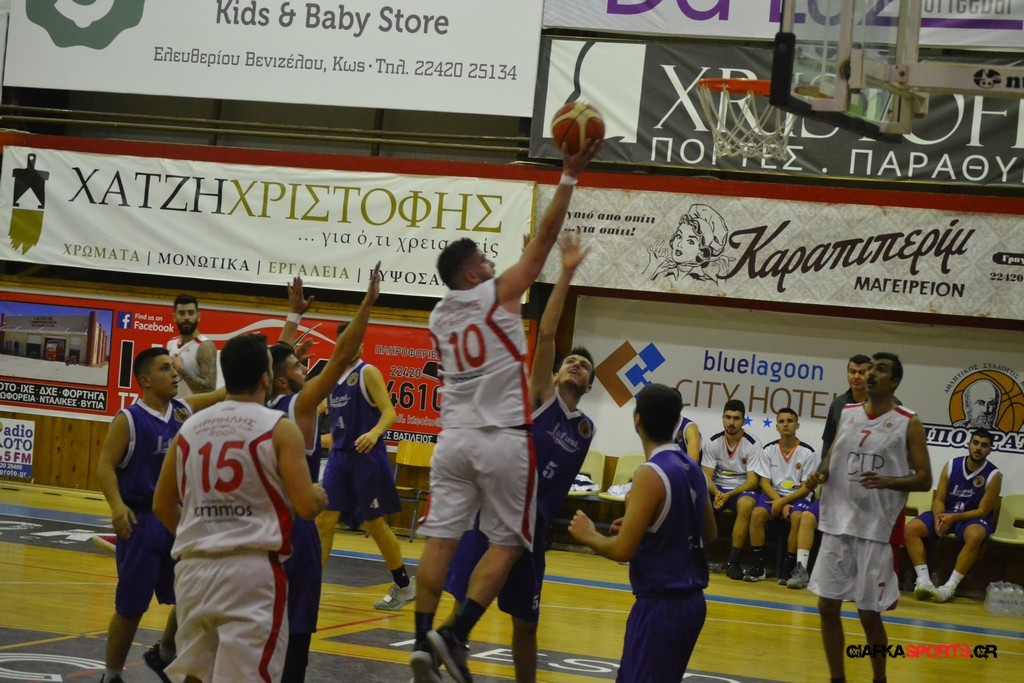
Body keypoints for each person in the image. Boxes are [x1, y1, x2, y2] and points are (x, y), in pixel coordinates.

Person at [409, 140, 600, 683]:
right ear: (471, 276)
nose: (493, 265)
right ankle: (456, 633)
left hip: (453, 440)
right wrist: (568, 175)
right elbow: (544, 238)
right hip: (501, 441)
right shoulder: (495, 295)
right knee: (510, 543)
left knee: (440, 541)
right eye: (484, 261)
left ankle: (423, 638)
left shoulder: (439, 316)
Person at [443, 236, 595, 683]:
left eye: (584, 366)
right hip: (497, 511)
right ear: (554, 372)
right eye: (570, 361)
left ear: (589, 386)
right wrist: (562, 272)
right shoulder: (541, 397)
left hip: (535, 528)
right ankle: (435, 663)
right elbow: (546, 333)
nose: (576, 365)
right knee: (464, 603)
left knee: (527, 624)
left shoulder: (585, 428)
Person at [152, 333, 329, 683]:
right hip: (250, 573)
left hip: (193, 571)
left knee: (196, 674)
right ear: (266, 378)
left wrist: (204, 535)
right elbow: (306, 507)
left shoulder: (189, 427)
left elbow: (162, 505)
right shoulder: (279, 427)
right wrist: (319, 494)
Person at [269, 268, 380, 681]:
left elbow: (275, 359)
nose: (305, 367)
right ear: (284, 381)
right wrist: (367, 304)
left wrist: (293, 317)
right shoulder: (299, 406)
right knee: (296, 630)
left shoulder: (258, 402)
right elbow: (341, 357)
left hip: (259, 524)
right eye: (299, 366)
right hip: (293, 527)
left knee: (259, 627)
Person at [568, 383, 716, 682]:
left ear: (638, 420)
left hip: (661, 606)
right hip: (693, 606)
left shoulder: (650, 472)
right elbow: (709, 533)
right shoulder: (693, 468)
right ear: (676, 422)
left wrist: (589, 535)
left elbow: (622, 550)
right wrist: (644, 524)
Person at [94, 348, 225, 683]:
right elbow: (105, 466)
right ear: (146, 381)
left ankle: (165, 652)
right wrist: (116, 505)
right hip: (141, 520)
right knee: (131, 606)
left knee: (192, 593)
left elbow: (224, 393)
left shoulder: (183, 410)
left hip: (177, 518)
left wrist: (262, 360)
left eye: (173, 367)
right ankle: (111, 676)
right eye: (166, 369)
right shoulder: (129, 419)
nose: (174, 373)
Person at [804, 352, 932, 683]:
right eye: (870, 367)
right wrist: (819, 474)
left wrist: (888, 481)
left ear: (895, 382)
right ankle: (837, 679)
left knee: (868, 613)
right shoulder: (846, 412)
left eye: (881, 369)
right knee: (827, 607)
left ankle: (879, 679)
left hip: (876, 529)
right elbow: (831, 458)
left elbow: (924, 479)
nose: (871, 373)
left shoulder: (908, 422)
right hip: (837, 524)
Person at [315, 310, 410, 612]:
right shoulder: (332, 378)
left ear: (362, 345)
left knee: (374, 523)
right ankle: (309, 585)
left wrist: (375, 432)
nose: (351, 345)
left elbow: (390, 412)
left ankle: (404, 585)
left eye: (356, 340)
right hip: (339, 458)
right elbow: (333, 425)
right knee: (324, 519)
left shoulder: (368, 372)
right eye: (345, 340)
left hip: (366, 457)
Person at [906, 428, 1001, 603]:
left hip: (972, 518)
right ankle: (924, 581)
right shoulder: (951, 465)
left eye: (984, 445)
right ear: (969, 444)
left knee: (975, 536)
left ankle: (950, 586)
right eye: (975, 443)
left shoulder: (994, 475)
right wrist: (938, 518)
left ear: (989, 450)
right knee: (910, 529)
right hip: (947, 513)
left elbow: (982, 511)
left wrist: (953, 518)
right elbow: (939, 499)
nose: (978, 448)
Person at [747, 408, 820, 583]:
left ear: (797, 425)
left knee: (797, 517)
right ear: (777, 426)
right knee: (757, 514)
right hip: (774, 495)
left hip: (798, 497)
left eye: (789, 421)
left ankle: (789, 568)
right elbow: (764, 483)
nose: (785, 424)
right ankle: (758, 566)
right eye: (781, 421)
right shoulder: (768, 449)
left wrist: (783, 502)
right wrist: (780, 502)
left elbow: (806, 488)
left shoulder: (808, 452)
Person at [700, 399, 763, 581]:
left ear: (743, 420)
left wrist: (728, 495)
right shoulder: (713, 441)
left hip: (740, 488)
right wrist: (717, 493)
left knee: (746, 505)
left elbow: (753, 481)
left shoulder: (753, 443)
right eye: (728, 417)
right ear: (722, 418)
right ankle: (694, 554)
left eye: (736, 418)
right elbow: (705, 475)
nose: (731, 422)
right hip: (718, 487)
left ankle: (733, 561)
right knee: (697, 498)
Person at [166, 293, 218, 398]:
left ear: (198, 316)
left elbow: (210, 389)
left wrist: (181, 369)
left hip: (195, 408)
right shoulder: (171, 343)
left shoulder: (205, 346)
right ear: (174, 317)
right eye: (182, 313)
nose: (186, 317)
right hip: (174, 406)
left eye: (191, 313)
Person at [820, 354, 871, 459]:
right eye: (852, 372)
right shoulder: (838, 404)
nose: (856, 377)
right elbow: (828, 445)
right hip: (843, 466)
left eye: (862, 373)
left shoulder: (887, 404)